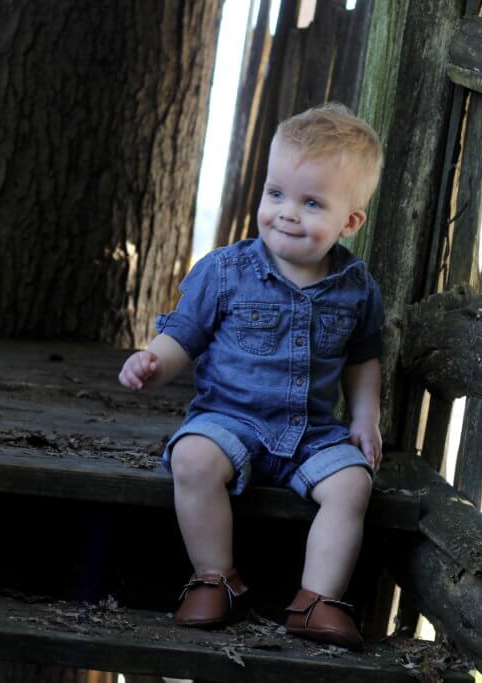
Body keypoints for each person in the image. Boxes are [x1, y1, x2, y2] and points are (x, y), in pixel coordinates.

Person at [117, 103, 384, 649]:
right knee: (191, 459)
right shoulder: (226, 271)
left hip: (312, 434)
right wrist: (154, 361)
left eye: (312, 203)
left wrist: (365, 418)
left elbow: (363, 357)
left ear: (349, 221)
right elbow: (184, 334)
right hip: (228, 422)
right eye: (276, 194)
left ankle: (316, 600)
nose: (287, 213)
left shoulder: (357, 287)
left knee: (352, 483)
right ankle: (216, 578)